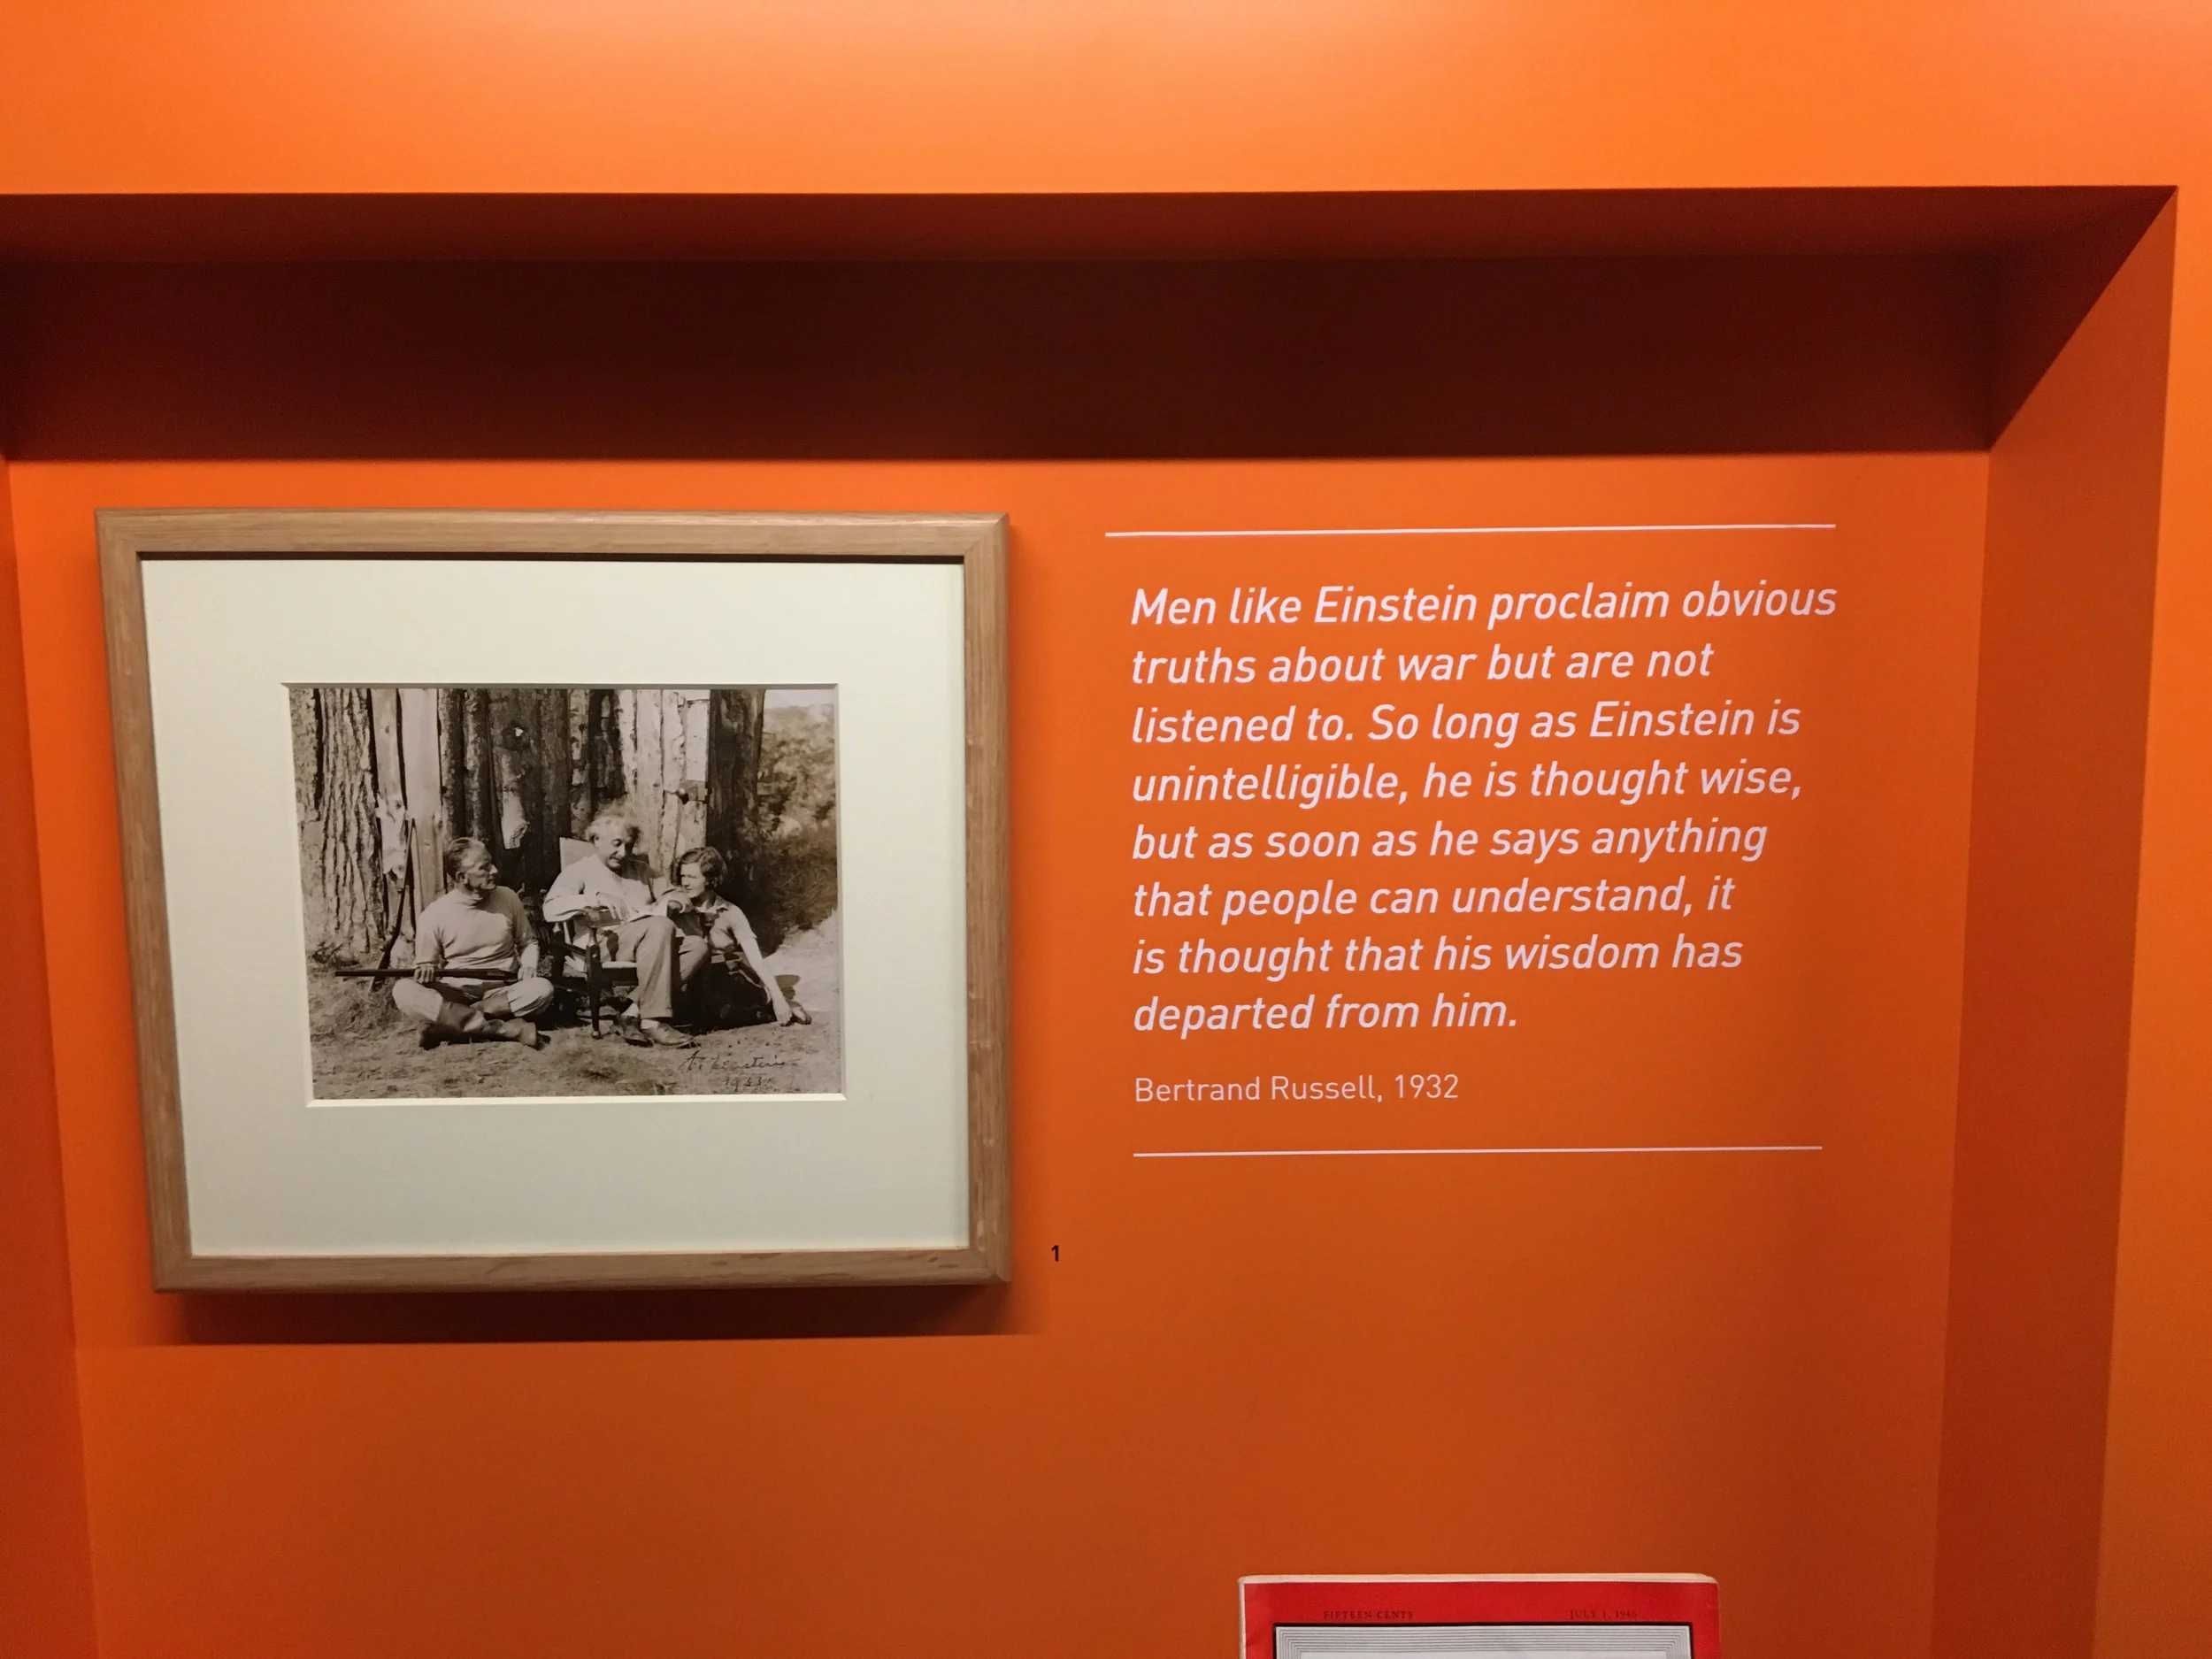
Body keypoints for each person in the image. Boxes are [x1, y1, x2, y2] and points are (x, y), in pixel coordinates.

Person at [541, 808, 704, 1048]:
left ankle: (630, 1012)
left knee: (697, 946)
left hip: (648, 940)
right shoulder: (579, 871)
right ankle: (653, 1021)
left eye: (628, 845)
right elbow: (550, 909)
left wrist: (674, 902)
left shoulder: (641, 870)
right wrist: (593, 898)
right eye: (617, 844)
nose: (623, 853)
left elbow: (677, 894)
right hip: (604, 943)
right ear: (596, 840)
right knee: (659, 926)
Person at [394, 838, 554, 1049]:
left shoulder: (508, 898)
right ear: (462, 877)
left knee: (542, 989)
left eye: (491, 863)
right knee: (403, 990)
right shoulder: (434, 914)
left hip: (503, 990)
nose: (494, 870)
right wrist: (425, 969)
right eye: (484, 868)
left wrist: (529, 965)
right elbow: (426, 963)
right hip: (455, 992)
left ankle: (448, 1025)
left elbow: (528, 942)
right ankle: (506, 1029)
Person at [668, 846, 801, 1026]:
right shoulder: (676, 907)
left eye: (692, 877)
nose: (685, 883)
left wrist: (778, 998)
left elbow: (757, 960)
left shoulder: (731, 912)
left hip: (723, 981)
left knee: (732, 1013)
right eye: (683, 876)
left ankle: (777, 1002)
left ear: (710, 879)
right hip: (688, 981)